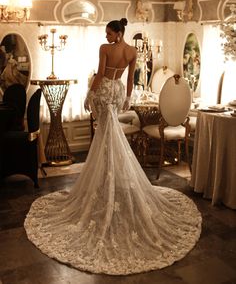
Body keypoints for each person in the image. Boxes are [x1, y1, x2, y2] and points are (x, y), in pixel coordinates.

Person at [24, 18, 201, 275]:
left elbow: (100, 73)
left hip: (105, 88)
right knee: (110, 134)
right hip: (118, 91)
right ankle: (110, 175)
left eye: (109, 32)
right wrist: (128, 96)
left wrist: (88, 94)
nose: (106, 36)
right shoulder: (131, 51)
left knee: (105, 134)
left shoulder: (106, 49)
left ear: (118, 33)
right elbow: (131, 77)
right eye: (105, 33)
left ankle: (107, 177)